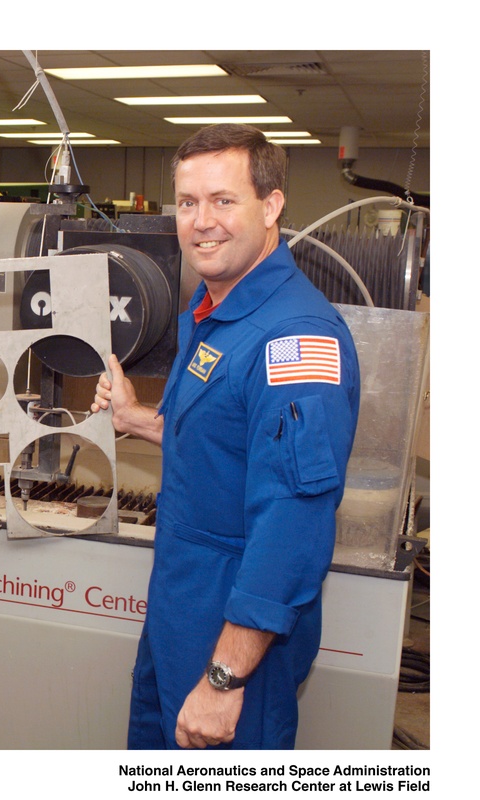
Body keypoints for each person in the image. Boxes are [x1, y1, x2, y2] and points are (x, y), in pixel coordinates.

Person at [92, 124, 360, 749]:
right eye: (188, 202)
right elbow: (228, 444)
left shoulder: (294, 340)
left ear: (271, 206)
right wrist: (137, 419)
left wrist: (223, 678)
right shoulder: (213, 312)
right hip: (179, 608)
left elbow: (292, 525)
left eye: (223, 200)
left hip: (236, 636)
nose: (201, 221)